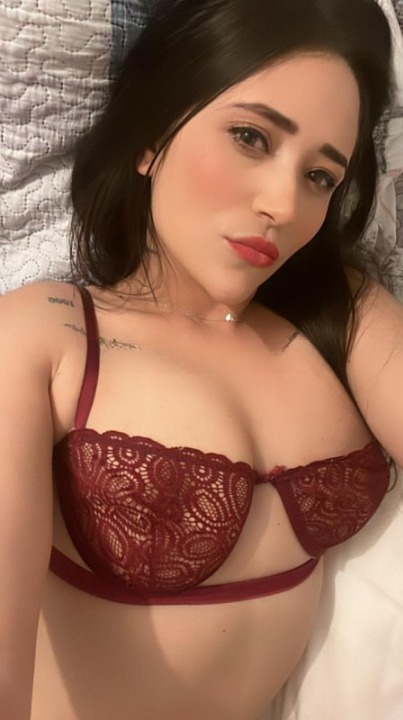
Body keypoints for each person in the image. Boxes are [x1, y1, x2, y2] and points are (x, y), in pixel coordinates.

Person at [1, 0, 402, 718]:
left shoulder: (343, 313)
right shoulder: (47, 332)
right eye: (251, 137)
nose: (283, 203)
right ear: (151, 138)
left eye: (320, 176)